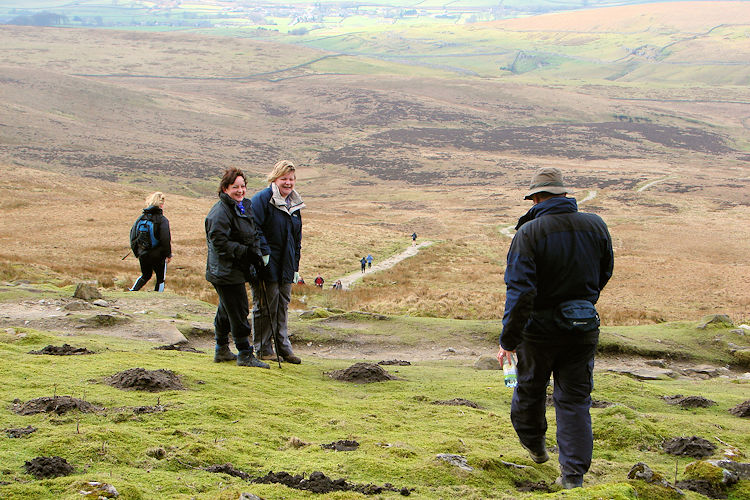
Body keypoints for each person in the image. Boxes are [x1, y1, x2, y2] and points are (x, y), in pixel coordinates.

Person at [496, 167, 613, 490]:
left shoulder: (530, 233)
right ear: (563, 194)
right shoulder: (596, 225)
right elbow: (606, 271)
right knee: (575, 400)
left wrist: (508, 341)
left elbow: (520, 293)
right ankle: (573, 476)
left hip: (539, 331)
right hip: (584, 327)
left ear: (535, 198)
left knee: (530, 389)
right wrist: (581, 302)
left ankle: (535, 446)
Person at [205, 168, 269, 368]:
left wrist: (256, 256)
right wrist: (245, 252)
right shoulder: (220, 212)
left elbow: (252, 234)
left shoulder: (242, 207)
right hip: (224, 272)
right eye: (235, 187)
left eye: (243, 186)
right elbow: (219, 243)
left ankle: (221, 350)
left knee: (227, 309)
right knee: (239, 309)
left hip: (236, 269)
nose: (240, 190)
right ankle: (244, 354)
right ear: (225, 189)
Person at [250, 160, 304, 365]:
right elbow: (254, 227)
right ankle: (263, 348)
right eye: (284, 179)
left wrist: (295, 267)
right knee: (265, 305)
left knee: (282, 305)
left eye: (291, 179)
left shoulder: (295, 203)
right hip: (266, 262)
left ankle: (283, 347)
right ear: (275, 179)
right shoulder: (262, 200)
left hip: (286, 264)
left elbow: (296, 238)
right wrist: (263, 252)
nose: (288, 183)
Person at [129, 192, 172, 292]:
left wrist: (138, 252)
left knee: (145, 275)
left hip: (143, 253)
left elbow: (133, 235)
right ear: (161, 205)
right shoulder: (162, 220)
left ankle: (133, 291)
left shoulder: (141, 218)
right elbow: (165, 239)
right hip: (158, 255)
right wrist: (168, 254)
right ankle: (158, 297)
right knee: (160, 279)